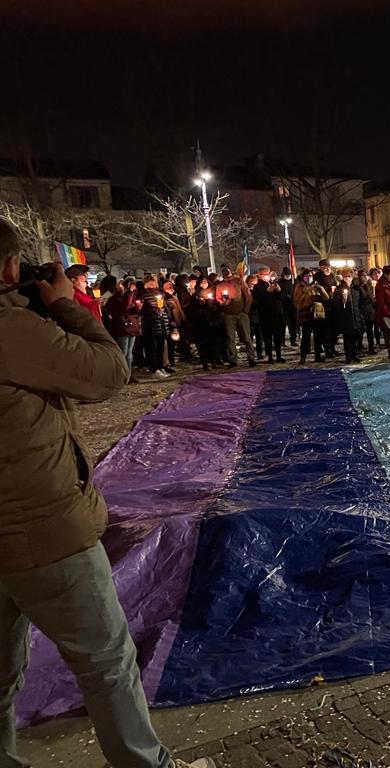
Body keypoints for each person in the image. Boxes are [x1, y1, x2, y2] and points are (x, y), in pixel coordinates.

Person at [0, 228, 212, 768]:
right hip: (42, 532)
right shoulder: (12, 331)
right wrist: (68, 308)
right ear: (7, 270)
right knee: (108, 663)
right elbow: (108, 371)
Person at [218, 270, 257, 367]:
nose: (226, 274)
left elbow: (248, 296)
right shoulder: (220, 285)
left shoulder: (239, 281)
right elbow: (218, 298)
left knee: (247, 337)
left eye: (227, 272)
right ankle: (233, 359)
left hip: (241, 313)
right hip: (228, 314)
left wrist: (245, 311)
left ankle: (251, 358)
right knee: (230, 338)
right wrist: (222, 303)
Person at [293, 268, 331, 364]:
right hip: (305, 314)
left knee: (318, 336)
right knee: (306, 336)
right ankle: (303, 356)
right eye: (306, 276)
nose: (308, 278)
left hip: (318, 313)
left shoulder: (317, 285)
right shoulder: (299, 286)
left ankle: (318, 356)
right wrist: (305, 291)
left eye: (310, 276)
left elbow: (326, 298)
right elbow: (296, 300)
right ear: (302, 277)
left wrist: (321, 290)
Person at [106, 279, 142, 378]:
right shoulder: (115, 298)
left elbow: (133, 310)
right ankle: (122, 375)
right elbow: (125, 307)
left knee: (129, 353)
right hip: (122, 326)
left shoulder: (131, 296)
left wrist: (138, 307)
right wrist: (129, 293)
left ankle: (128, 375)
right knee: (123, 351)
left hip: (131, 325)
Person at [139, 276, 174, 377]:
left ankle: (160, 367)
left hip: (162, 322)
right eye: (150, 284)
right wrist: (153, 311)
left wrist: (167, 305)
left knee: (161, 347)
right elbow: (140, 309)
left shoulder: (160, 292)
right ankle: (154, 369)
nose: (152, 286)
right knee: (151, 348)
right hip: (150, 324)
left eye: (153, 283)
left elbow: (167, 303)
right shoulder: (142, 294)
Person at [253, 268, 286, 364]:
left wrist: (279, 290)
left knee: (278, 336)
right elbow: (259, 300)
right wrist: (267, 292)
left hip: (277, 314)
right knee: (268, 337)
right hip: (266, 315)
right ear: (259, 275)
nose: (267, 275)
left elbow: (282, 298)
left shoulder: (274, 283)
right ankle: (270, 356)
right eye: (265, 274)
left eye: (268, 273)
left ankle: (279, 355)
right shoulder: (257, 286)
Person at [335, 270, 365, 363]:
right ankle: (348, 356)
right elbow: (336, 304)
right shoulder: (339, 288)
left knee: (354, 337)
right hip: (346, 317)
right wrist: (343, 301)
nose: (347, 278)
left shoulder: (356, 288)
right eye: (345, 276)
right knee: (347, 338)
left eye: (349, 276)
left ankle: (355, 355)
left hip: (356, 315)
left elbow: (362, 299)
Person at [277, 268, 298, 347]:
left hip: (294, 306)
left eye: (289, 275)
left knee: (294, 324)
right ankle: (282, 341)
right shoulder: (280, 282)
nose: (288, 276)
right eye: (286, 275)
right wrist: (285, 296)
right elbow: (278, 293)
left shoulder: (295, 281)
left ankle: (293, 339)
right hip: (284, 306)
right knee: (283, 324)